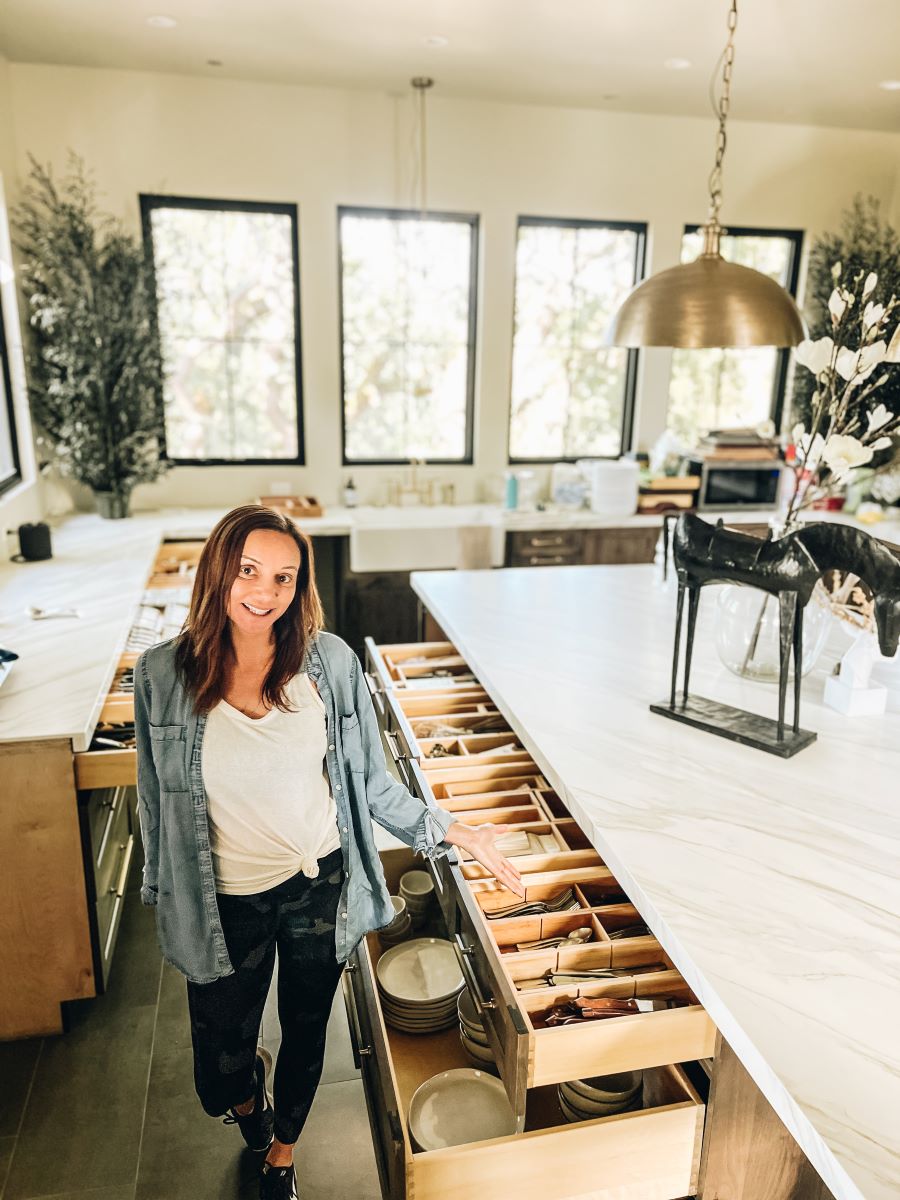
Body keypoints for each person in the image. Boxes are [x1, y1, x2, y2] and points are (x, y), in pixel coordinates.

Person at [134, 504, 524, 1200]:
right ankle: (247, 1098)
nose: (265, 591)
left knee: (309, 1025)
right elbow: (154, 795)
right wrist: (165, 896)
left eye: (284, 577)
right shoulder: (163, 674)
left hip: (320, 884)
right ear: (219, 570)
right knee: (219, 1069)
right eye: (249, 570)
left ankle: (282, 1151)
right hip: (224, 900)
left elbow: (373, 782)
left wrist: (455, 830)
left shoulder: (329, 663)